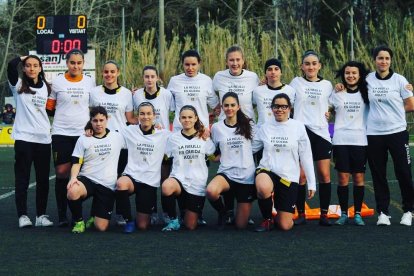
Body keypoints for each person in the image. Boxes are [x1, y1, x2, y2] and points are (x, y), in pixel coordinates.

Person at [167, 50, 219, 225]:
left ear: (199, 64)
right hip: (179, 135)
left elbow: (216, 106)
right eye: (187, 64)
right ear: (182, 64)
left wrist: (209, 127)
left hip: (200, 137)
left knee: (199, 173)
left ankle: (198, 212)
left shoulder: (206, 81)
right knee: (179, 171)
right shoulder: (174, 81)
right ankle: (181, 211)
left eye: (193, 64)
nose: (190, 68)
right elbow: (165, 103)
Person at [364, 45, 414, 226]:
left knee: (403, 172)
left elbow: (411, 104)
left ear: (390, 61)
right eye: (380, 58)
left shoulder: (400, 81)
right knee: (378, 174)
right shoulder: (367, 79)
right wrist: (339, 87)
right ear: (375, 60)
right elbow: (352, 89)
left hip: (397, 133)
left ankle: (408, 210)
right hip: (374, 134)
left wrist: (393, 112)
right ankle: (383, 213)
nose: (383, 61)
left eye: (386, 58)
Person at [46, 49, 95, 227]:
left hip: (83, 134)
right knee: (62, 173)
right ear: (67, 63)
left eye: (79, 63)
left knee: (85, 173)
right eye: (72, 62)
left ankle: (77, 212)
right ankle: (61, 214)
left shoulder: (90, 82)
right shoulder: (57, 81)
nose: (76, 66)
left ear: (83, 64)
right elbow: (50, 106)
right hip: (61, 133)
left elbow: (93, 107)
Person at [253, 93, 316, 231]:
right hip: (267, 171)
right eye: (276, 106)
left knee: (285, 226)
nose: (279, 109)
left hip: (288, 177)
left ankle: (279, 215)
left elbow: (306, 155)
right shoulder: (265, 127)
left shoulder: (298, 127)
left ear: (290, 108)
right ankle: (267, 219)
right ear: (271, 108)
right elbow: (250, 148)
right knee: (263, 187)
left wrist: (311, 183)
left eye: (283, 106)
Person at [213, 45, 259, 224]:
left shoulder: (253, 77)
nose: (234, 63)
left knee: (247, 168)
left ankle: (248, 209)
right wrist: (216, 108)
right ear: (226, 61)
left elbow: (258, 98)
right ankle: (228, 211)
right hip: (226, 129)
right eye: (231, 60)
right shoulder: (218, 77)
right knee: (228, 165)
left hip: (247, 130)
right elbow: (213, 96)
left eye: (238, 59)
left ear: (243, 61)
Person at [7, 55, 53, 228]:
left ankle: (40, 215)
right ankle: (23, 216)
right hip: (24, 139)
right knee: (23, 179)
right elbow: (11, 66)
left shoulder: (47, 88)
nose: (32, 68)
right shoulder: (18, 85)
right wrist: (22, 57)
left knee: (43, 180)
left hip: (43, 140)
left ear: (40, 68)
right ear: (24, 68)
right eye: (28, 65)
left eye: (35, 65)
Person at [289, 50, 333, 226]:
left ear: (319, 65)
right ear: (302, 66)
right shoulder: (295, 83)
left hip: (321, 133)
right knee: (301, 176)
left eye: (314, 63)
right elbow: (284, 100)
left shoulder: (328, 85)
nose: (311, 66)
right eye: (307, 63)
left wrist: (330, 111)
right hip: (301, 133)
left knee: (324, 174)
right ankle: (301, 214)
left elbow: (336, 102)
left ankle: (324, 214)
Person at [89, 60, 136, 225]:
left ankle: (121, 213)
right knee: (101, 178)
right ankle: (97, 212)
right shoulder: (94, 92)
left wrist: (154, 125)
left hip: (121, 143)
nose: (109, 75)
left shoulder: (126, 93)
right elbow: (91, 116)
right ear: (102, 73)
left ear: (118, 73)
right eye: (106, 72)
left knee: (119, 179)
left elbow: (130, 119)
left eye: (112, 72)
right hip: (100, 142)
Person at [115, 102, 171, 233]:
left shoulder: (163, 134)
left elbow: (183, 137)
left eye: (148, 114)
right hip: (131, 177)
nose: (145, 117)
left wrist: (202, 133)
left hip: (149, 182)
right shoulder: (129, 130)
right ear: (138, 116)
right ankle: (128, 221)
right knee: (120, 184)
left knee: (142, 226)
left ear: (154, 115)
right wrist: (90, 129)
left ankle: (142, 217)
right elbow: (109, 133)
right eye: (142, 113)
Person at [67, 106, 124, 233]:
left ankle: (94, 216)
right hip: (88, 179)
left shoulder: (117, 136)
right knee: (73, 190)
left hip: (107, 184)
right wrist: (73, 178)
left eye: (101, 120)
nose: (98, 124)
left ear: (107, 120)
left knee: (101, 227)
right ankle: (79, 221)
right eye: (95, 120)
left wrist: (157, 127)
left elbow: (137, 133)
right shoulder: (83, 139)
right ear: (91, 121)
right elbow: (76, 162)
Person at [161, 105, 216, 231]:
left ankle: (190, 213)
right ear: (179, 120)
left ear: (196, 118)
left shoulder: (203, 137)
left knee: (190, 226)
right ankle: (173, 220)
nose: (187, 120)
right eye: (183, 117)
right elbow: (166, 160)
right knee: (166, 186)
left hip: (197, 183)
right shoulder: (173, 138)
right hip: (178, 179)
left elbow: (213, 156)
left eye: (190, 117)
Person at [206, 92, 256, 229]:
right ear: (222, 107)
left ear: (238, 106)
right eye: (226, 105)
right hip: (226, 173)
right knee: (211, 191)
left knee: (240, 226)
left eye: (232, 105)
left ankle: (238, 211)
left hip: (246, 177)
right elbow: (215, 155)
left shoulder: (249, 124)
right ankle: (224, 212)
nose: (229, 108)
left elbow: (257, 146)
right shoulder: (217, 127)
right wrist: (204, 138)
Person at [133, 65, 174, 224]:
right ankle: (152, 211)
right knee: (148, 178)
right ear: (143, 78)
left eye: (152, 76)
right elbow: (133, 117)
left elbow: (175, 113)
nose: (149, 79)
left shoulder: (166, 94)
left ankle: (165, 212)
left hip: (162, 142)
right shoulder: (136, 95)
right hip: (144, 143)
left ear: (157, 78)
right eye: (146, 77)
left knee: (164, 178)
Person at [331, 61, 369, 226]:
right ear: (343, 74)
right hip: (340, 140)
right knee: (343, 178)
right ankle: (344, 213)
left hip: (360, 140)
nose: (351, 76)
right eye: (347, 73)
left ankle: (358, 213)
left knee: (359, 177)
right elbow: (326, 108)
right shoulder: (337, 93)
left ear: (360, 75)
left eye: (354, 73)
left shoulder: (367, 93)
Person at [253, 58, 295, 127]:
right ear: (265, 73)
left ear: (281, 72)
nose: (273, 72)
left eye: (276, 69)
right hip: (263, 133)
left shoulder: (290, 90)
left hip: (283, 132)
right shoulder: (257, 91)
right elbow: (250, 106)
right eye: (269, 69)